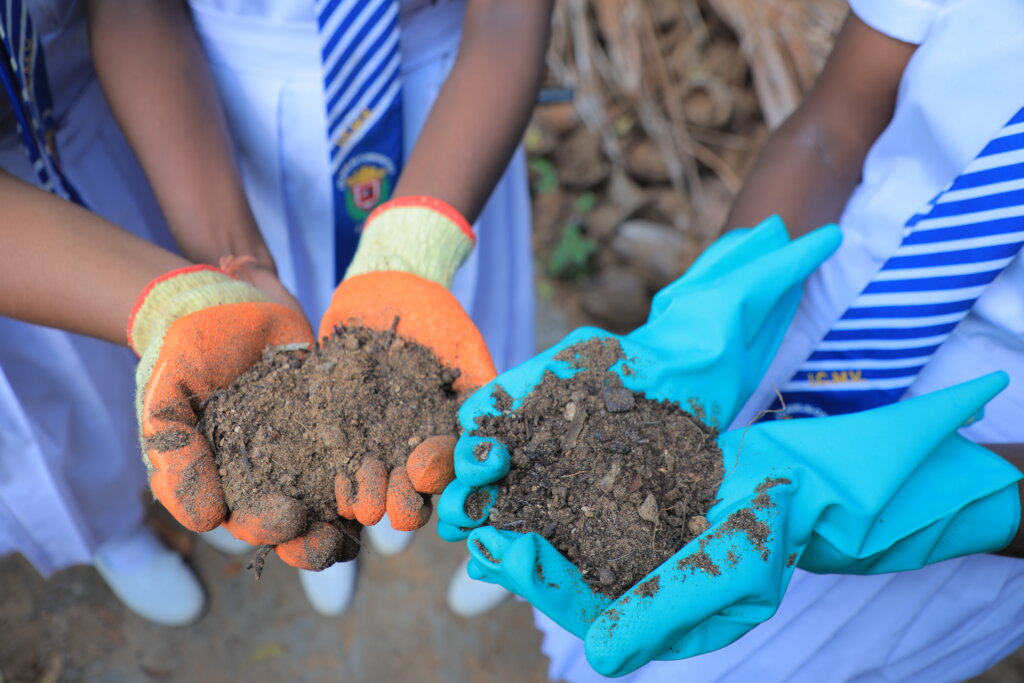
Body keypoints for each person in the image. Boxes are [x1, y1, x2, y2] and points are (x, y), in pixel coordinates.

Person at [449, 1, 1024, 680]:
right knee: (591, 544)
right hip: (828, 274)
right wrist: (716, 301)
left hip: (995, 429)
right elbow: (829, 132)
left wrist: (952, 497)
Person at [117, 0, 551, 616]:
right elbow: (131, 13)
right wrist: (237, 264)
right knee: (286, 308)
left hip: (453, 120)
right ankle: (338, 509)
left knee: (480, 380)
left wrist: (412, 248)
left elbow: (511, 17)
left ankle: (500, 530)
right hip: (227, 132)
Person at [0, 0, 294, 626]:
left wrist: (233, 267)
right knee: (56, 412)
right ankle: (110, 529)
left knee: (174, 381)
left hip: (118, 120)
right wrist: (171, 302)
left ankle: (201, 493)